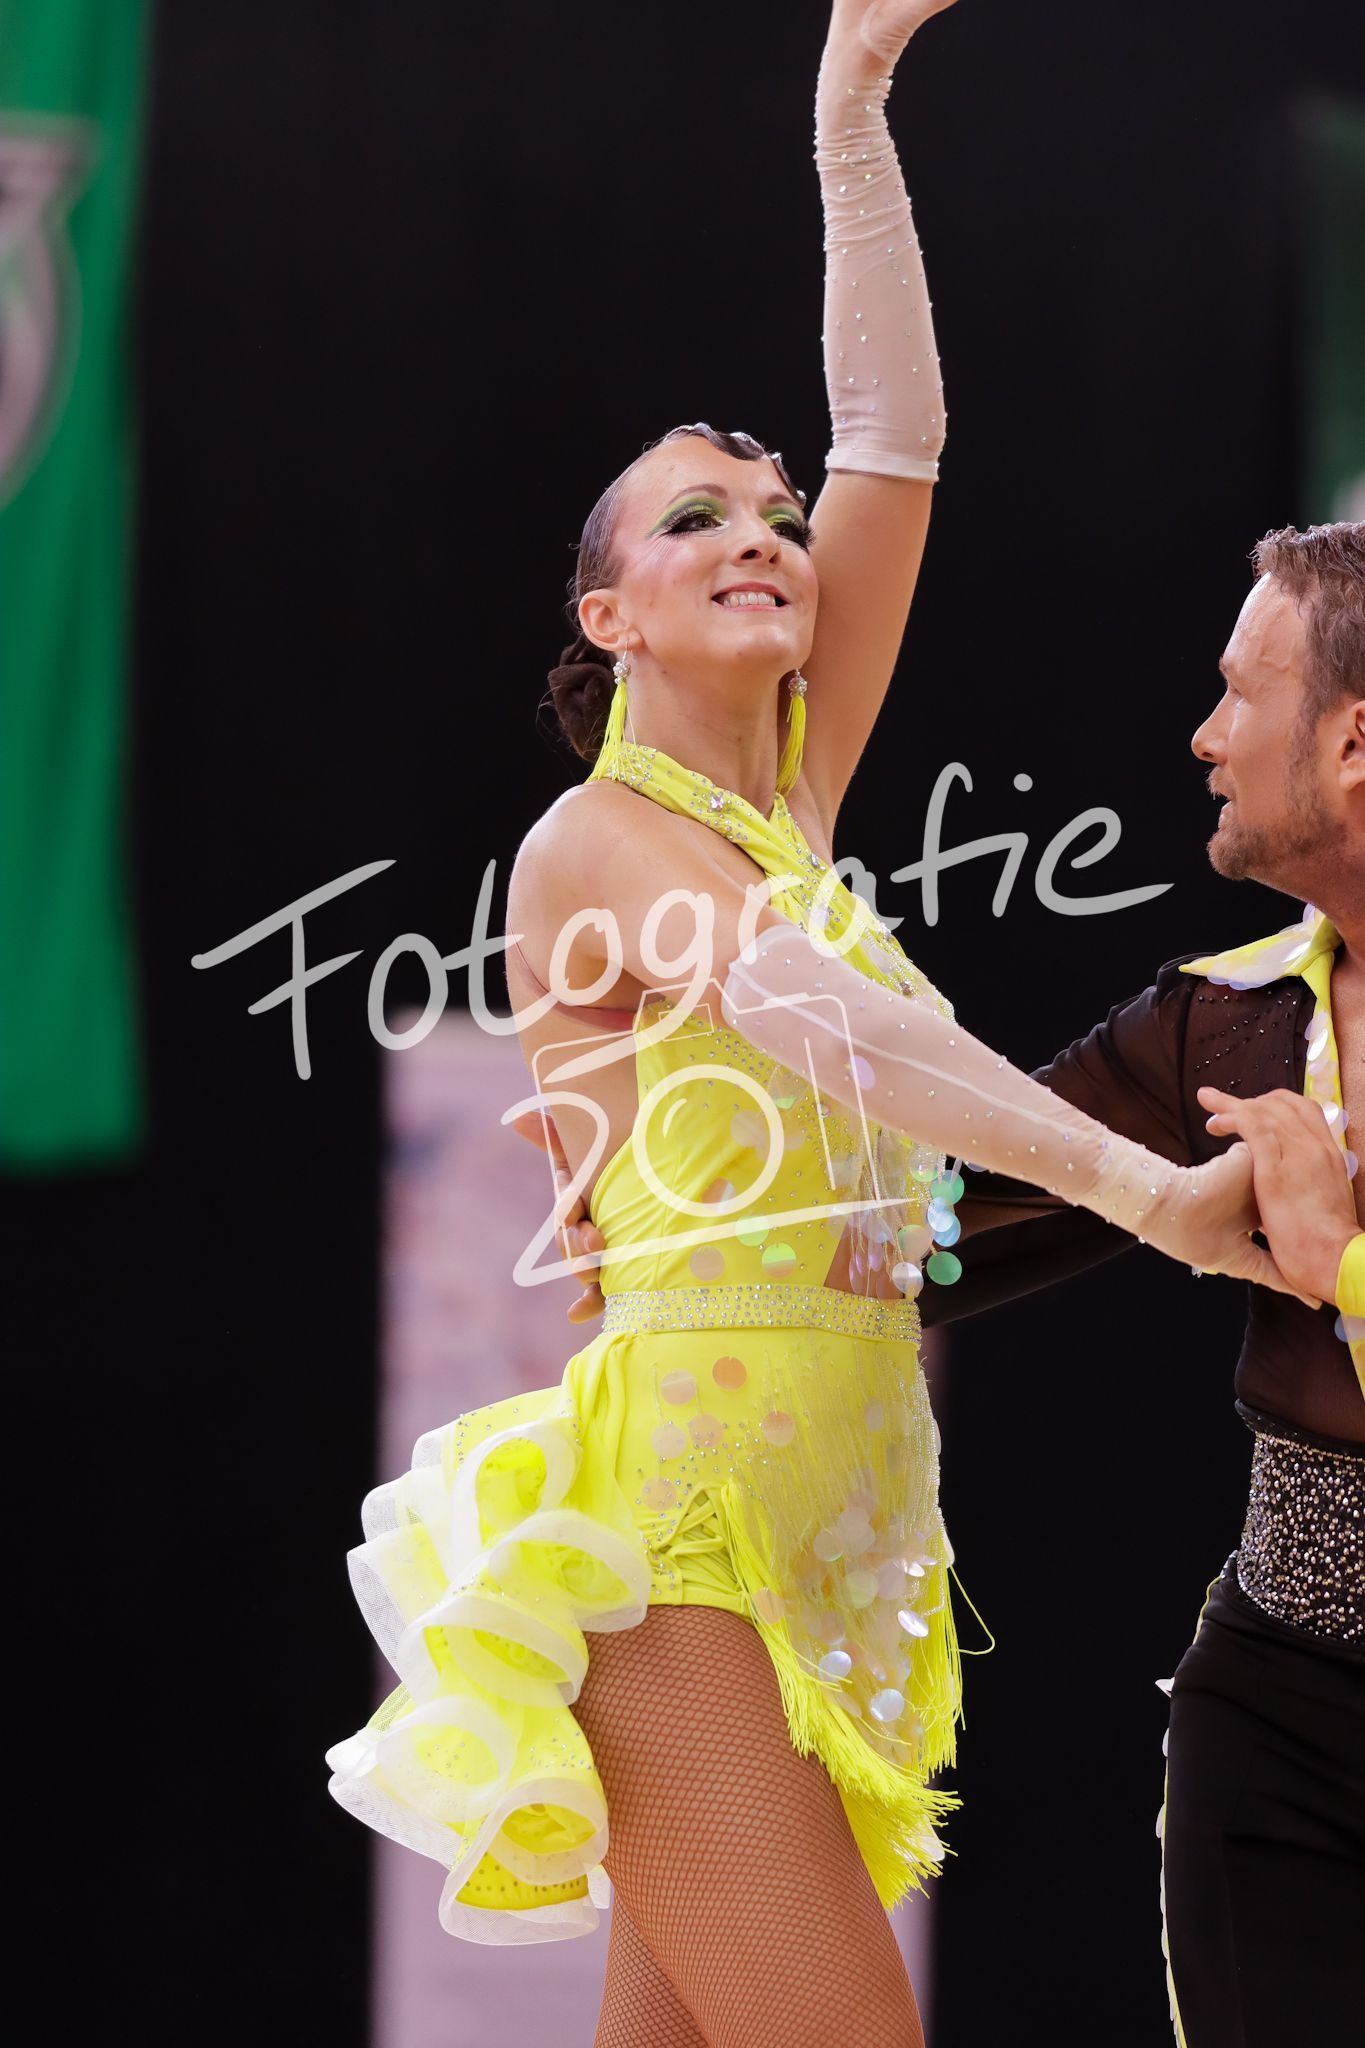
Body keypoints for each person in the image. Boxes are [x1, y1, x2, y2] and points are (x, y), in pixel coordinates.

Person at [325, 8, 1296, 2043]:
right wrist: (1146, 1194)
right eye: (693, 520)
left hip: (835, 1517)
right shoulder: (591, 843)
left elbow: (891, 441)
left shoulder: (786, 804)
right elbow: (831, 1025)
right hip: (680, 1535)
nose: (758, 537)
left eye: (767, 516)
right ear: (606, 617)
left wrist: (852, 104)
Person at [541, 524, 1365, 2046]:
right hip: (1282, 1704)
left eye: (1238, 694)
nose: (1201, 735)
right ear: (610, 619)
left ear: (1351, 740)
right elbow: (940, 1230)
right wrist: (686, 1208)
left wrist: (1340, 1265)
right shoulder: (1225, 1021)